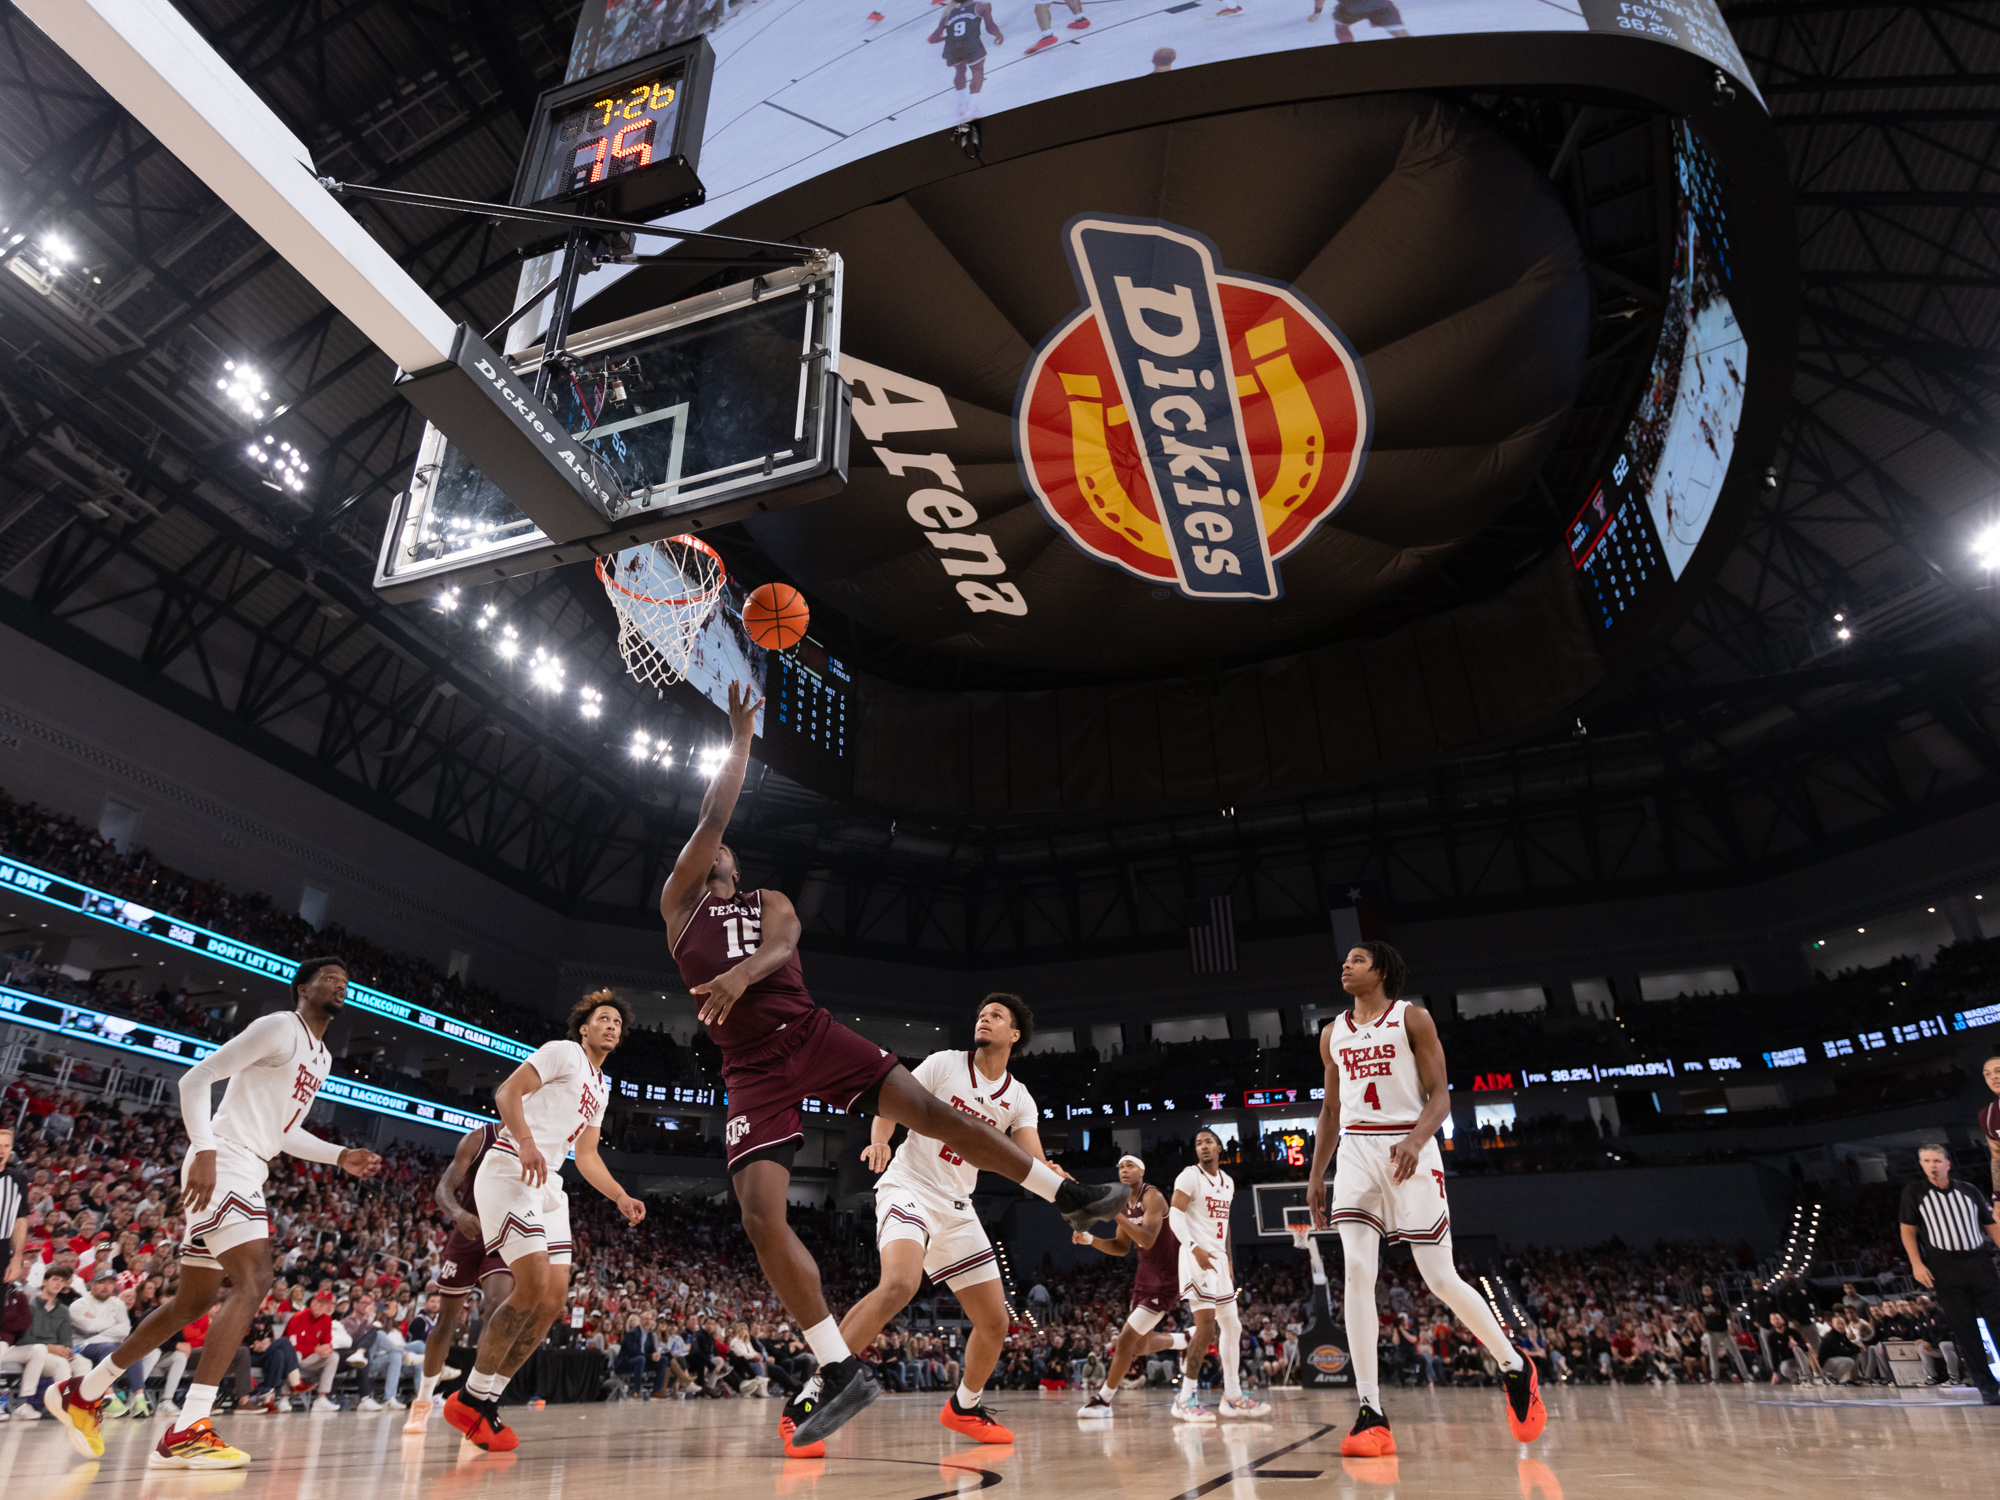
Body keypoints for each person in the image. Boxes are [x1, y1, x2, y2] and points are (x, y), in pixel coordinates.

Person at [659, 684, 1128, 1449]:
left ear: (736, 865)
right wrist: (739, 737)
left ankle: (1067, 1196)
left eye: (725, 848)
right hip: (750, 1067)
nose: (716, 847)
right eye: (707, 844)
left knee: (938, 1116)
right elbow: (712, 814)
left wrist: (744, 976)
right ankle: (835, 1367)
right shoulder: (681, 906)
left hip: (808, 1032)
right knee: (758, 1215)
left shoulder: (767, 899)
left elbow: (787, 940)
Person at [48, 958, 380, 1468]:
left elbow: (284, 1132)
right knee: (256, 1280)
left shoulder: (322, 1058)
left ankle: (85, 1393)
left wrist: (339, 1155)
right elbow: (195, 1079)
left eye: (345, 979)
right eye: (329, 977)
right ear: (303, 987)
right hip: (223, 1159)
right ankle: (190, 1427)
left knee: (191, 1303)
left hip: (249, 1163)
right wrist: (203, 1148)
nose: (340, 983)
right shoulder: (277, 1026)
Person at [1305, 942, 1545, 1457]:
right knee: (1358, 1275)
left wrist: (1415, 1140)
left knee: (1440, 1279)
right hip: (1355, 1153)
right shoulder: (1332, 1033)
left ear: (1382, 971)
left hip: (1409, 1146)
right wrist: (1316, 1174)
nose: (1345, 967)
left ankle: (1514, 1363)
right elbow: (1328, 1109)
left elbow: (1441, 1096)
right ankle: (1371, 1412)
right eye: (1344, 961)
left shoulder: (1412, 1019)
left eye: (1357, 961)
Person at [837, 994, 1055, 1451]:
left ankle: (964, 1407)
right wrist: (880, 1142)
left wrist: (1059, 1179)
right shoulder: (944, 1064)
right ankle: (817, 1388)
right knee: (900, 1283)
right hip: (909, 1185)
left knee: (995, 1321)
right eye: (981, 1013)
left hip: (956, 1204)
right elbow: (890, 1104)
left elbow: (1031, 1159)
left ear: (1014, 1035)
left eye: (996, 1016)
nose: (984, 1018)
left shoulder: (1019, 1098)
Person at [444, 992, 648, 1451]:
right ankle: (469, 1397)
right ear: (585, 1028)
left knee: (553, 1299)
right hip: (510, 1168)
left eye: (618, 1022)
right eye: (604, 1019)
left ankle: (485, 1400)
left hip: (548, 1183)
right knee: (531, 1283)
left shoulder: (602, 1085)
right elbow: (507, 1092)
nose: (612, 1026)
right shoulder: (563, 1052)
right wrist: (526, 1141)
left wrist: (619, 1195)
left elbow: (589, 1155)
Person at [404, 1122, 509, 1433]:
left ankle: (476, 1400)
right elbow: (443, 1190)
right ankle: (423, 1400)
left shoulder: (537, 1140)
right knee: (446, 1323)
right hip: (467, 1233)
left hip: (503, 1237)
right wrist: (458, 1214)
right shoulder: (479, 1138)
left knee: (497, 1311)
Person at [1163, 1127, 1269, 1422]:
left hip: (1219, 1260)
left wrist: (1230, 1261)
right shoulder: (1189, 1176)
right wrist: (1194, 1247)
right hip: (1196, 1256)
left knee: (1233, 1327)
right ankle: (1185, 1398)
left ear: (1219, 1147)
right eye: (1198, 1143)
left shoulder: (1229, 1182)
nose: (1203, 1147)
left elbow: (1225, 1224)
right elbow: (1175, 1215)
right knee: (1206, 1329)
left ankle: (1232, 1397)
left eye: (1209, 1142)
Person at [1073, 1153, 1186, 1419]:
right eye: (1120, 1166)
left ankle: (1103, 1400)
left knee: (1124, 1341)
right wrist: (1090, 1239)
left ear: (1142, 1171)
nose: (1124, 1169)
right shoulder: (1123, 1203)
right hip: (1144, 1278)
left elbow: (1146, 1240)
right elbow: (1122, 1247)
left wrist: (1115, 1214)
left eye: (1130, 1165)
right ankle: (1185, 1340)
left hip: (1166, 1279)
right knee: (1138, 1346)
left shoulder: (1153, 1197)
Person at [1897, 1142, 2000, 1404]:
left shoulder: (1968, 1190)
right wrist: (1917, 1264)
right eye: (1927, 1161)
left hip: (1979, 1261)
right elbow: (1907, 1229)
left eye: (1937, 1161)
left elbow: (1990, 1224)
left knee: (1999, 1319)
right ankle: (1986, 1386)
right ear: (1921, 1165)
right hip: (1944, 1266)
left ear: (1948, 1164)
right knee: (1964, 1329)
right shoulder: (1914, 1192)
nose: (1932, 1166)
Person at [928, 0, 1002, 119]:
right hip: (970, 45)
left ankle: (961, 105)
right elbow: (990, 26)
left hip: (952, 47)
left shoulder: (949, 12)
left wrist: (949, 38)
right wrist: (998, 34)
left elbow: (933, 39)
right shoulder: (981, 6)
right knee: (977, 72)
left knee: (959, 71)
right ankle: (971, 109)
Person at [1696, 1284, 1750, 1383]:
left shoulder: (1719, 1302)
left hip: (1724, 1331)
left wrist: (1732, 1325)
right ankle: (1715, 1378)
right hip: (1711, 1332)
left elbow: (1730, 1313)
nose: (1707, 1291)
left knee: (1736, 1354)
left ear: (1712, 1291)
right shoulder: (1701, 1304)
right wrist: (1702, 1328)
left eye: (1708, 1289)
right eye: (1705, 1290)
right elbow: (1697, 1315)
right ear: (1703, 1293)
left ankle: (1746, 1376)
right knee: (1713, 1356)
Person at [1980, 1056, 2000, 1210]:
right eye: (1987, 1074)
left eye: (1998, 1071)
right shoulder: (1987, 1115)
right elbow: (1997, 1159)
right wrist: (1998, 1198)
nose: (1993, 1076)